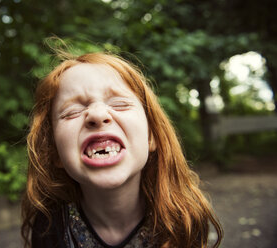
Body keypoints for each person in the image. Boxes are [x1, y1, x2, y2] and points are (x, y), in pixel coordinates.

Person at [21, 49, 223, 248]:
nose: (97, 115)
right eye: (72, 111)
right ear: (54, 151)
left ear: (151, 136)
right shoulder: (50, 229)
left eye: (119, 104)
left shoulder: (183, 219)